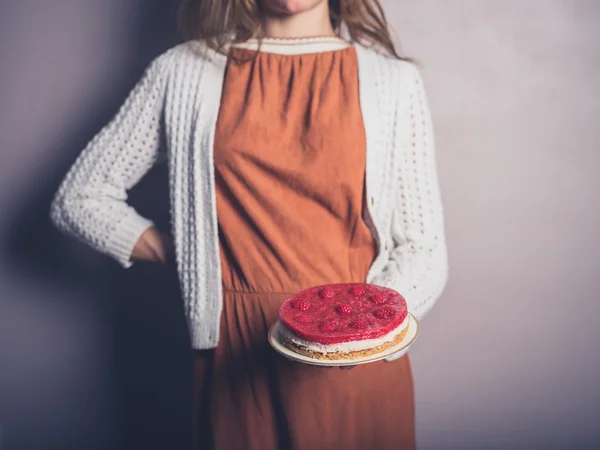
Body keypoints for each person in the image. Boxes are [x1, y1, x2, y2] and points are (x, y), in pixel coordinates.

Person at [49, 0, 449, 448]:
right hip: (236, 351)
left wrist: (363, 330)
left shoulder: (393, 82)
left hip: (354, 351)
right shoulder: (182, 71)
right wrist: (187, 253)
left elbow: (423, 247)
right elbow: (79, 198)